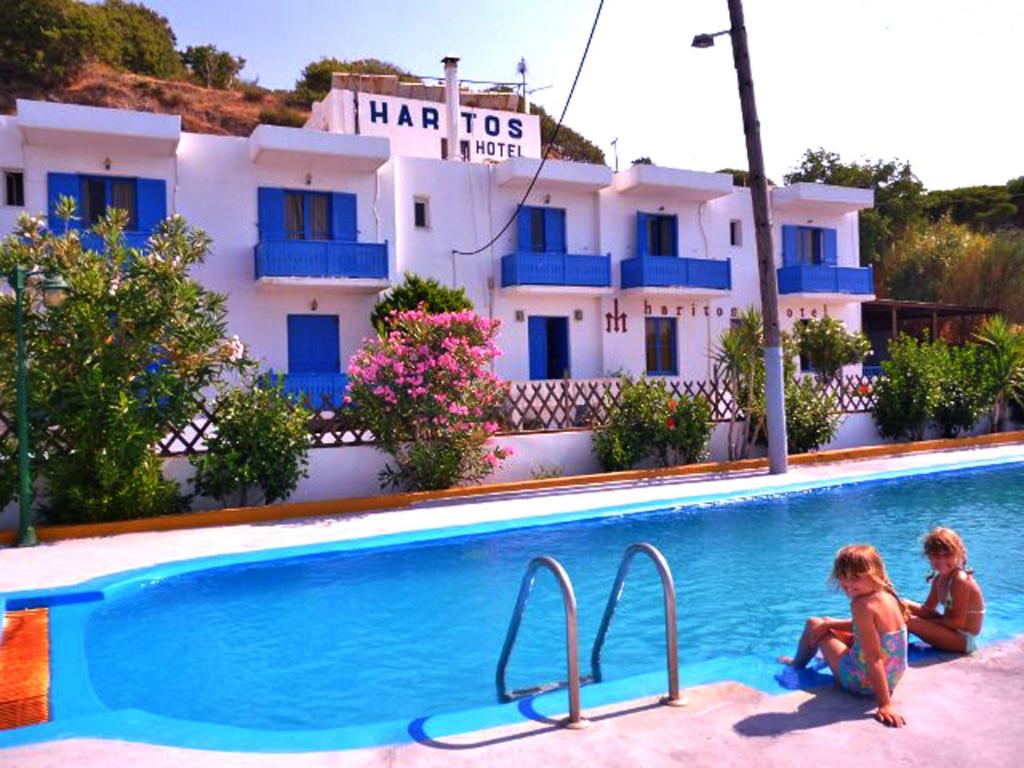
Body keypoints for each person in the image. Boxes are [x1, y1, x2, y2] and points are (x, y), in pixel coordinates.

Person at [781, 544, 908, 728]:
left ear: (875, 574)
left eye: (855, 577)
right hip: (893, 675)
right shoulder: (887, 594)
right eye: (843, 577)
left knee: (814, 624)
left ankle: (796, 664)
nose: (847, 583)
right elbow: (868, 629)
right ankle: (821, 645)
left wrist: (885, 705)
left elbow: (873, 658)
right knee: (825, 622)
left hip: (862, 682)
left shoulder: (861, 605)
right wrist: (830, 623)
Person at [906, 527, 985, 653]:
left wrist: (921, 623)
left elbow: (956, 623)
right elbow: (928, 609)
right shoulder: (939, 579)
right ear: (928, 557)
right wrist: (903, 606)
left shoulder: (960, 580)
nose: (941, 560)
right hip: (951, 631)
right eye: (936, 556)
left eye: (947, 555)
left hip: (963, 640)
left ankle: (891, 652)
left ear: (959, 554)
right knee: (902, 605)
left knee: (908, 621)